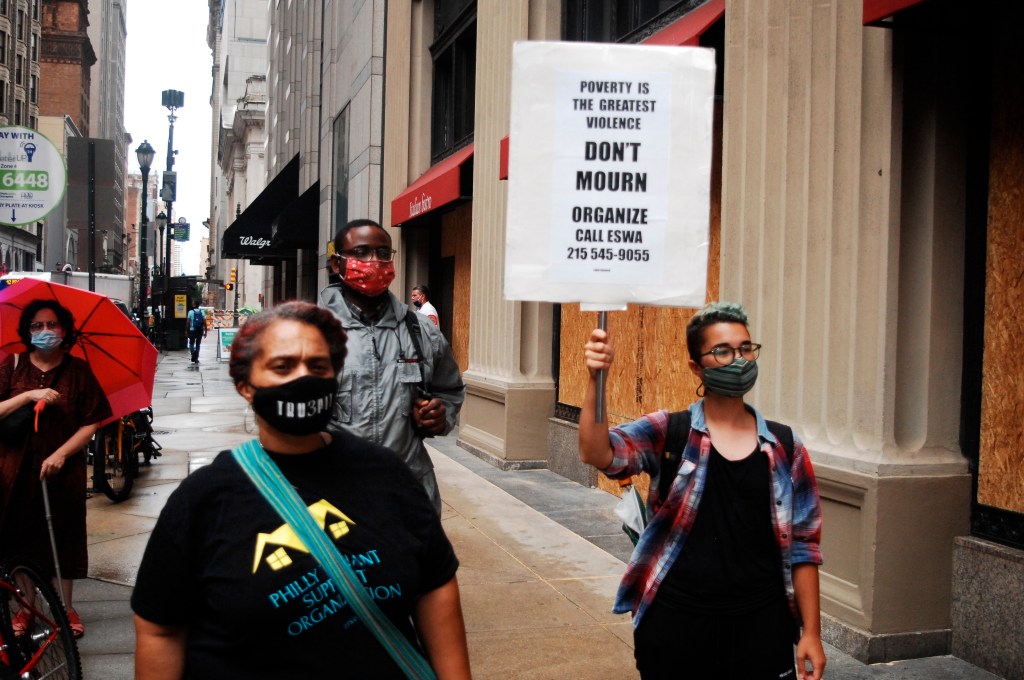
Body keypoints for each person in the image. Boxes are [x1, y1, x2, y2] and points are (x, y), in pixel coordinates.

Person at [131, 301, 471, 679]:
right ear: (246, 386)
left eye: (318, 366)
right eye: (283, 366)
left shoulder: (384, 472)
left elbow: (434, 585)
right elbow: (160, 628)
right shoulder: (204, 500)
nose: (303, 377)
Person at [579, 302, 825, 680]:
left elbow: (804, 545)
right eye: (722, 351)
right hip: (677, 622)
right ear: (696, 366)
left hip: (761, 625)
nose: (739, 360)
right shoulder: (668, 431)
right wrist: (596, 378)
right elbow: (598, 452)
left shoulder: (785, 445)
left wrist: (811, 632)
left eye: (745, 348)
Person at [319, 219, 464, 514]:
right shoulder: (308, 332)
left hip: (407, 494)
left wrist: (440, 414)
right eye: (361, 252)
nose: (374, 262)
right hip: (334, 498)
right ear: (337, 263)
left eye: (383, 253)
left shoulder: (422, 331)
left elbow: (449, 390)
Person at [0, 299, 112, 638]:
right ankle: (26, 610)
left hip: (62, 472)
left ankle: (65, 609)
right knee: (19, 539)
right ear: (27, 331)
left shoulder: (78, 371)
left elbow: (91, 422)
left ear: (64, 330)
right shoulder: (13, 364)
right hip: (13, 470)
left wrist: (61, 454)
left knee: (62, 537)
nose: (45, 331)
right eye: (37, 326)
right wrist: (28, 395)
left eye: (52, 325)